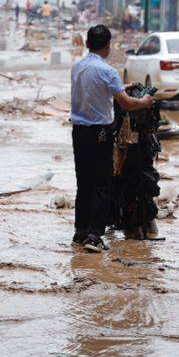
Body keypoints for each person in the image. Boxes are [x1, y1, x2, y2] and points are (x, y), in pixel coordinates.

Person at [71, 25, 154, 253]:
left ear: (88, 44)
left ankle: (80, 231)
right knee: (101, 185)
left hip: (79, 133)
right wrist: (145, 102)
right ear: (108, 47)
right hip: (100, 134)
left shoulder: (77, 67)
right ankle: (94, 236)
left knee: (83, 183)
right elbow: (127, 103)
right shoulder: (108, 71)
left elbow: (95, 91)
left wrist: (120, 88)